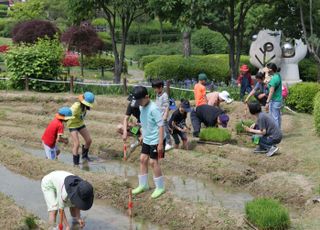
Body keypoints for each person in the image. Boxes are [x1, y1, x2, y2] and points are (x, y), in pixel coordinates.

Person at [131, 86, 166, 199]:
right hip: (147, 138)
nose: (139, 103)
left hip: (156, 139)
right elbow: (145, 122)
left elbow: (161, 126)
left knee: (153, 162)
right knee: (142, 159)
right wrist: (142, 134)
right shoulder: (142, 107)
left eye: (140, 100)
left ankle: (160, 187)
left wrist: (160, 144)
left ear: (147, 97)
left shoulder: (153, 108)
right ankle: (143, 185)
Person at [68, 92, 95, 166]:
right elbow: (68, 113)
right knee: (76, 144)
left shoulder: (84, 107)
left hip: (80, 124)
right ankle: (75, 163)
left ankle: (84, 157)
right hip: (73, 125)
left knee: (89, 140)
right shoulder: (76, 106)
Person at [152, 80, 173, 151]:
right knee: (159, 130)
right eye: (154, 88)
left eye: (155, 88)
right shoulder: (158, 94)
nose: (154, 90)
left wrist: (165, 116)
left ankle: (169, 143)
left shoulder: (165, 95)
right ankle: (160, 142)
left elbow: (167, 106)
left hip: (163, 116)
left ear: (161, 87)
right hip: (158, 115)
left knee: (165, 130)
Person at [264, 62, 283, 128]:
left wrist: (267, 102)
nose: (265, 69)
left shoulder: (274, 79)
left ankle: (276, 134)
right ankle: (278, 132)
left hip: (274, 100)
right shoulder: (277, 75)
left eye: (267, 68)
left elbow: (271, 92)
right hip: (279, 100)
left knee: (274, 118)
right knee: (277, 117)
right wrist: (267, 73)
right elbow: (266, 80)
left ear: (270, 70)